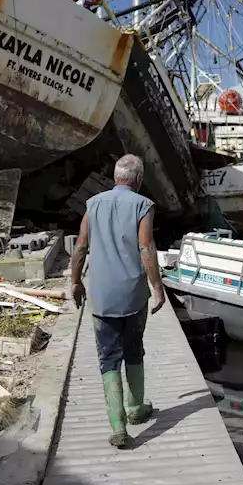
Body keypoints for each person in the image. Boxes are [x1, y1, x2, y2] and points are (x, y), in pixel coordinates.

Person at [70, 153, 166, 448]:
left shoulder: (93, 204)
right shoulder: (142, 205)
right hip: (133, 295)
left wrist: (74, 282)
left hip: (100, 295)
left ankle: (117, 427)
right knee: (134, 349)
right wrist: (157, 287)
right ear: (137, 179)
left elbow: (80, 247)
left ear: (116, 177)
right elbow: (146, 247)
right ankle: (136, 409)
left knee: (108, 357)